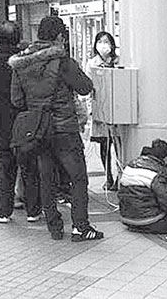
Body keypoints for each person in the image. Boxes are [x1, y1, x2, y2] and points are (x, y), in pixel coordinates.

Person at [8, 16, 103, 242]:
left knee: (46, 178)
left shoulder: (21, 63)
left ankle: (54, 226)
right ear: (60, 36)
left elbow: (16, 100)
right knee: (78, 178)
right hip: (64, 129)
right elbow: (85, 87)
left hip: (38, 131)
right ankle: (80, 227)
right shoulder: (63, 61)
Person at [0, 21, 41, 223]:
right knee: (29, 168)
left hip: (0, 123)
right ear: (18, 37)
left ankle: (3, 211)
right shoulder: (27, 61)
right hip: (25, 122)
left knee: (4, 167)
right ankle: (33, 210)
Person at [118, 139, 167, 233]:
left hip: (127, 220)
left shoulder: (131, 164)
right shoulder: (159, 171)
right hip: (151, 222)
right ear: (165, 159)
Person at [84, 31, 121, 191]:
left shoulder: (119, 61)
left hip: (118, 110)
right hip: (100, 110)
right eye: (100, 41)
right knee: (104, 145)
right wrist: (91, 109)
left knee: (120, 145)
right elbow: (86, 89)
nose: (103, 45)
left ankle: (121, 175)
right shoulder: (92, 64)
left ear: (112, 45)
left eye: (107, 42)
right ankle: (108, 177)